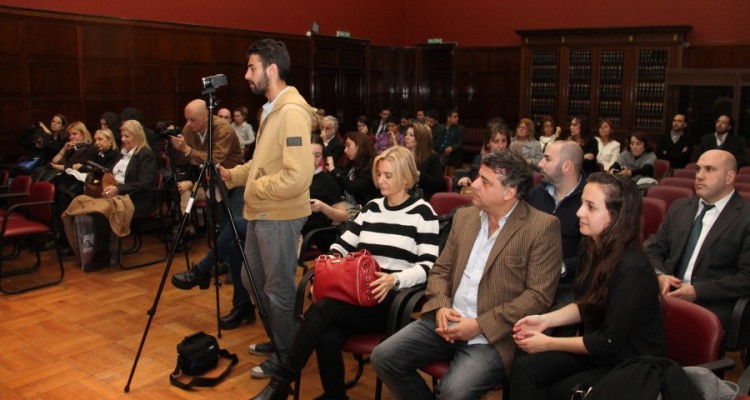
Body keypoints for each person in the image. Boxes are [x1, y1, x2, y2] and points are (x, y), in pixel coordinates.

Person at [251, 146, 440, 400]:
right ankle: (334, 396)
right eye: (379, 174)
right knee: (327, 338)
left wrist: (394, 279)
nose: (380, 180)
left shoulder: (423, 213)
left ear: (405, 178)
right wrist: (333, 260)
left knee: (323, 309)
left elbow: (428, 267)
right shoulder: (373, 207)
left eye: (387, 175)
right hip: (357, 292)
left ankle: (282, 382)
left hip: (392, 299)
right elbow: (344, 243)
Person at [372, 150, 563, 400]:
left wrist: (478, 326)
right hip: (445, 321)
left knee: (453, 392)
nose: (474, 184)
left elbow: (538, 296)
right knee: (383, 357)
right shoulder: (465, 217)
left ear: (509, 192)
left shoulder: (541, 227)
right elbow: (440, 270)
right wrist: (441, 306)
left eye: (485, 181)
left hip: (493, 336)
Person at [509, 173, 664, 400]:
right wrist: (545, 320)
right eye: (583, 203)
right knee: (524, 369)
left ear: (616, 216)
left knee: (557, 390)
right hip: (599, 352)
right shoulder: (590, 245)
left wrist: (549, 343)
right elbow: (587, 303)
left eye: (590, 207)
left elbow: (607, 341)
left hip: (629, 363)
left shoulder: (633, 267)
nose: (579, 212)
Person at [219, 38, 315, 379]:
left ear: (271, 69)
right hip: (262, 212)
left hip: (281, 214)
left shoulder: (291, 112)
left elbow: (297, 177)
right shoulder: (270, 109)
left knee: (278, 289)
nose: (247, 74)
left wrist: (255, 187)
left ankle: (289, 357)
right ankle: (281, 338)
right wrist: (233, 174)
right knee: (251, 278)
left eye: (252, 67)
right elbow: (261, 164)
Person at [646, 149, 750, 330]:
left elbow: (746, 277)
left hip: (713, 301)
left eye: (709, 170)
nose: (700, 176)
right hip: (667, 292)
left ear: (729, 177)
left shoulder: (745, 216)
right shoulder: (680, 207)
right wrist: (660, 275)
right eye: (698, 169)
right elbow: (654, 248)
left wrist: (697, 291)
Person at [61, 120, 158, 271]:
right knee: (80, 201)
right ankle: (81, 247)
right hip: (114, 193)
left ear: (138, 136)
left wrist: (118, 189)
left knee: (100, 211)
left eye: (127, 136)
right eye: (122, 136)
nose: (123, 139)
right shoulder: (122, 154)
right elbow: (110, 173)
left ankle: (103, 254)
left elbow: (145, 183)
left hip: (136, 198)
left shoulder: (145, 154)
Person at [170, 99, 246, 230]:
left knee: (234, 226)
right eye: (186, 119)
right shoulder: (189, 129)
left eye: (192, 119)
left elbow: (214, 159)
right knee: (216, 224)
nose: (188, 123)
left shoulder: (223, 129)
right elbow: (182, 161)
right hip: (211, 184)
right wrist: (174, 148)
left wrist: (187, 150)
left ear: (206, 117)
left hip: (233, 182)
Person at [527, 140, 586, 305]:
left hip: (567, 283)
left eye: (547, 159)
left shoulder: (589, 201)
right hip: (528, 279)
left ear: (566, 166)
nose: (540, 164)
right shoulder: (535, 194)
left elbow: (592, 253)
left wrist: (559, 268)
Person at [327, 130, 379, 207]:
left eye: (348, 145)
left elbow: (353, 187)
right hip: (349, 206)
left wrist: (334, 170)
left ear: (359, 146)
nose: (345, 150)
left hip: (366, 208)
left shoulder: (372, 165)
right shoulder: (351, 163)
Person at [456, 118, 510, 189]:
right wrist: (467, 180)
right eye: (496, 141)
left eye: (504, 141)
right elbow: (471, 179)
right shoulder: (479, 159)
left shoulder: (512, 164)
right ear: (488, 143)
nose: (500, 145)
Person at [404, 122, 444, 201]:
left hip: (422, 197)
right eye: (406, 134)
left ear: (420, 138)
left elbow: (440, 185)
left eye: (411, 135)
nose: (406, 137)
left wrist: (419, 176)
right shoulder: (404, 154)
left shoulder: (432, 157)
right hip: (403, 193)